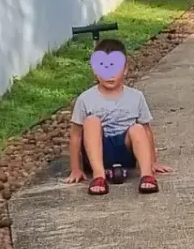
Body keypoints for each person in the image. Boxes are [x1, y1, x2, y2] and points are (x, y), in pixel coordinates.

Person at [66, 38, 172, 195]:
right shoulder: (85, 99)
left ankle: (146, 175)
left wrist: (153, 161)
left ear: (125, 69)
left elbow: (147, 131)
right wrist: (76, 169)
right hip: (97, 151)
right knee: (91, 121)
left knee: (137, 128)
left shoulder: (136, 97)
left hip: (125, 150)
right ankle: (99, 176)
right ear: (95, 70)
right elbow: (76, 136)